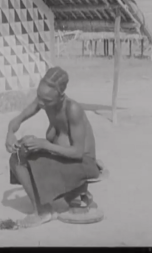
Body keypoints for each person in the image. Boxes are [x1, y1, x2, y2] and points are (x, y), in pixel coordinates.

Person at [5, 66, 102, 228]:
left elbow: (78, 152)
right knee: (19, 153)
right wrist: (10, 133)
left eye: (47, 101)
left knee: (23, 156)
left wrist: (44, 144)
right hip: (64, 157)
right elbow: (16, 121)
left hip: (84, 163)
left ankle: (42, 211)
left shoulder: (72, 109)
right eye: (39, 97)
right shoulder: (45, 100)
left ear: (61, 96)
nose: (41, 104)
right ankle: (44, 206)